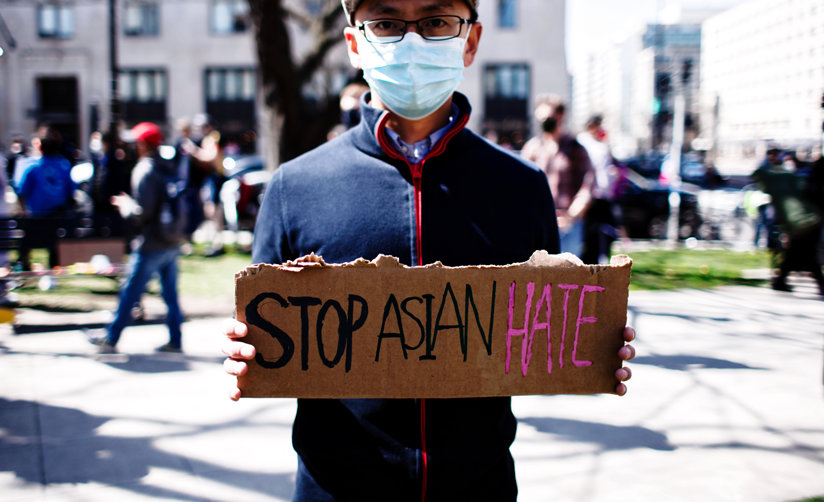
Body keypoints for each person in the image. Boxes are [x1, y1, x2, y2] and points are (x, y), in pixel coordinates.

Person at [222, 1, 636, 500]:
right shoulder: (294, 188)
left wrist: (590, 343)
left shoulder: (521, 188)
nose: (412, 41)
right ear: (355, 43)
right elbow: (265, 329)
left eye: (437, 21)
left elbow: (541, 330)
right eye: (387, 23)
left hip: (478, 487)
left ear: (472, 41)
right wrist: (248, 352)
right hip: (336, 489)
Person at [89, 122, 186, 353]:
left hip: (151, 242)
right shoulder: (167, 165)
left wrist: (125, 205)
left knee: (130, 290)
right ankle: (176, 338)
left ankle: (111, 337)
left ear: (142, 144)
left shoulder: (145, 169)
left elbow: (142, 212)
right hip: (171, 239)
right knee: (170, 295)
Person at [522, 96, 594, 259]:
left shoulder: (575, 149)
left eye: (547, 118)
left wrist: (570, 217)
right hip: (538, 224)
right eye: (540, 119)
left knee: (567, 277)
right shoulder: (533, 148)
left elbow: (587, 188)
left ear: (560, 116)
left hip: (568, 225)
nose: (543, 122)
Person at [751, 147, 824, 296]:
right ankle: (785, 280)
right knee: (805, 251)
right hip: (809, 219)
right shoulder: (787, 181)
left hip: (805, 219)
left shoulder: (785, 182)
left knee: (799, 250)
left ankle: (781, 280)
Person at [577, 114, 620, 265]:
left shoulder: (598, 144)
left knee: (601, 235)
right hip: (593, 197)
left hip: (602, 196)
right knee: (591, 237)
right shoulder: (586, 144)